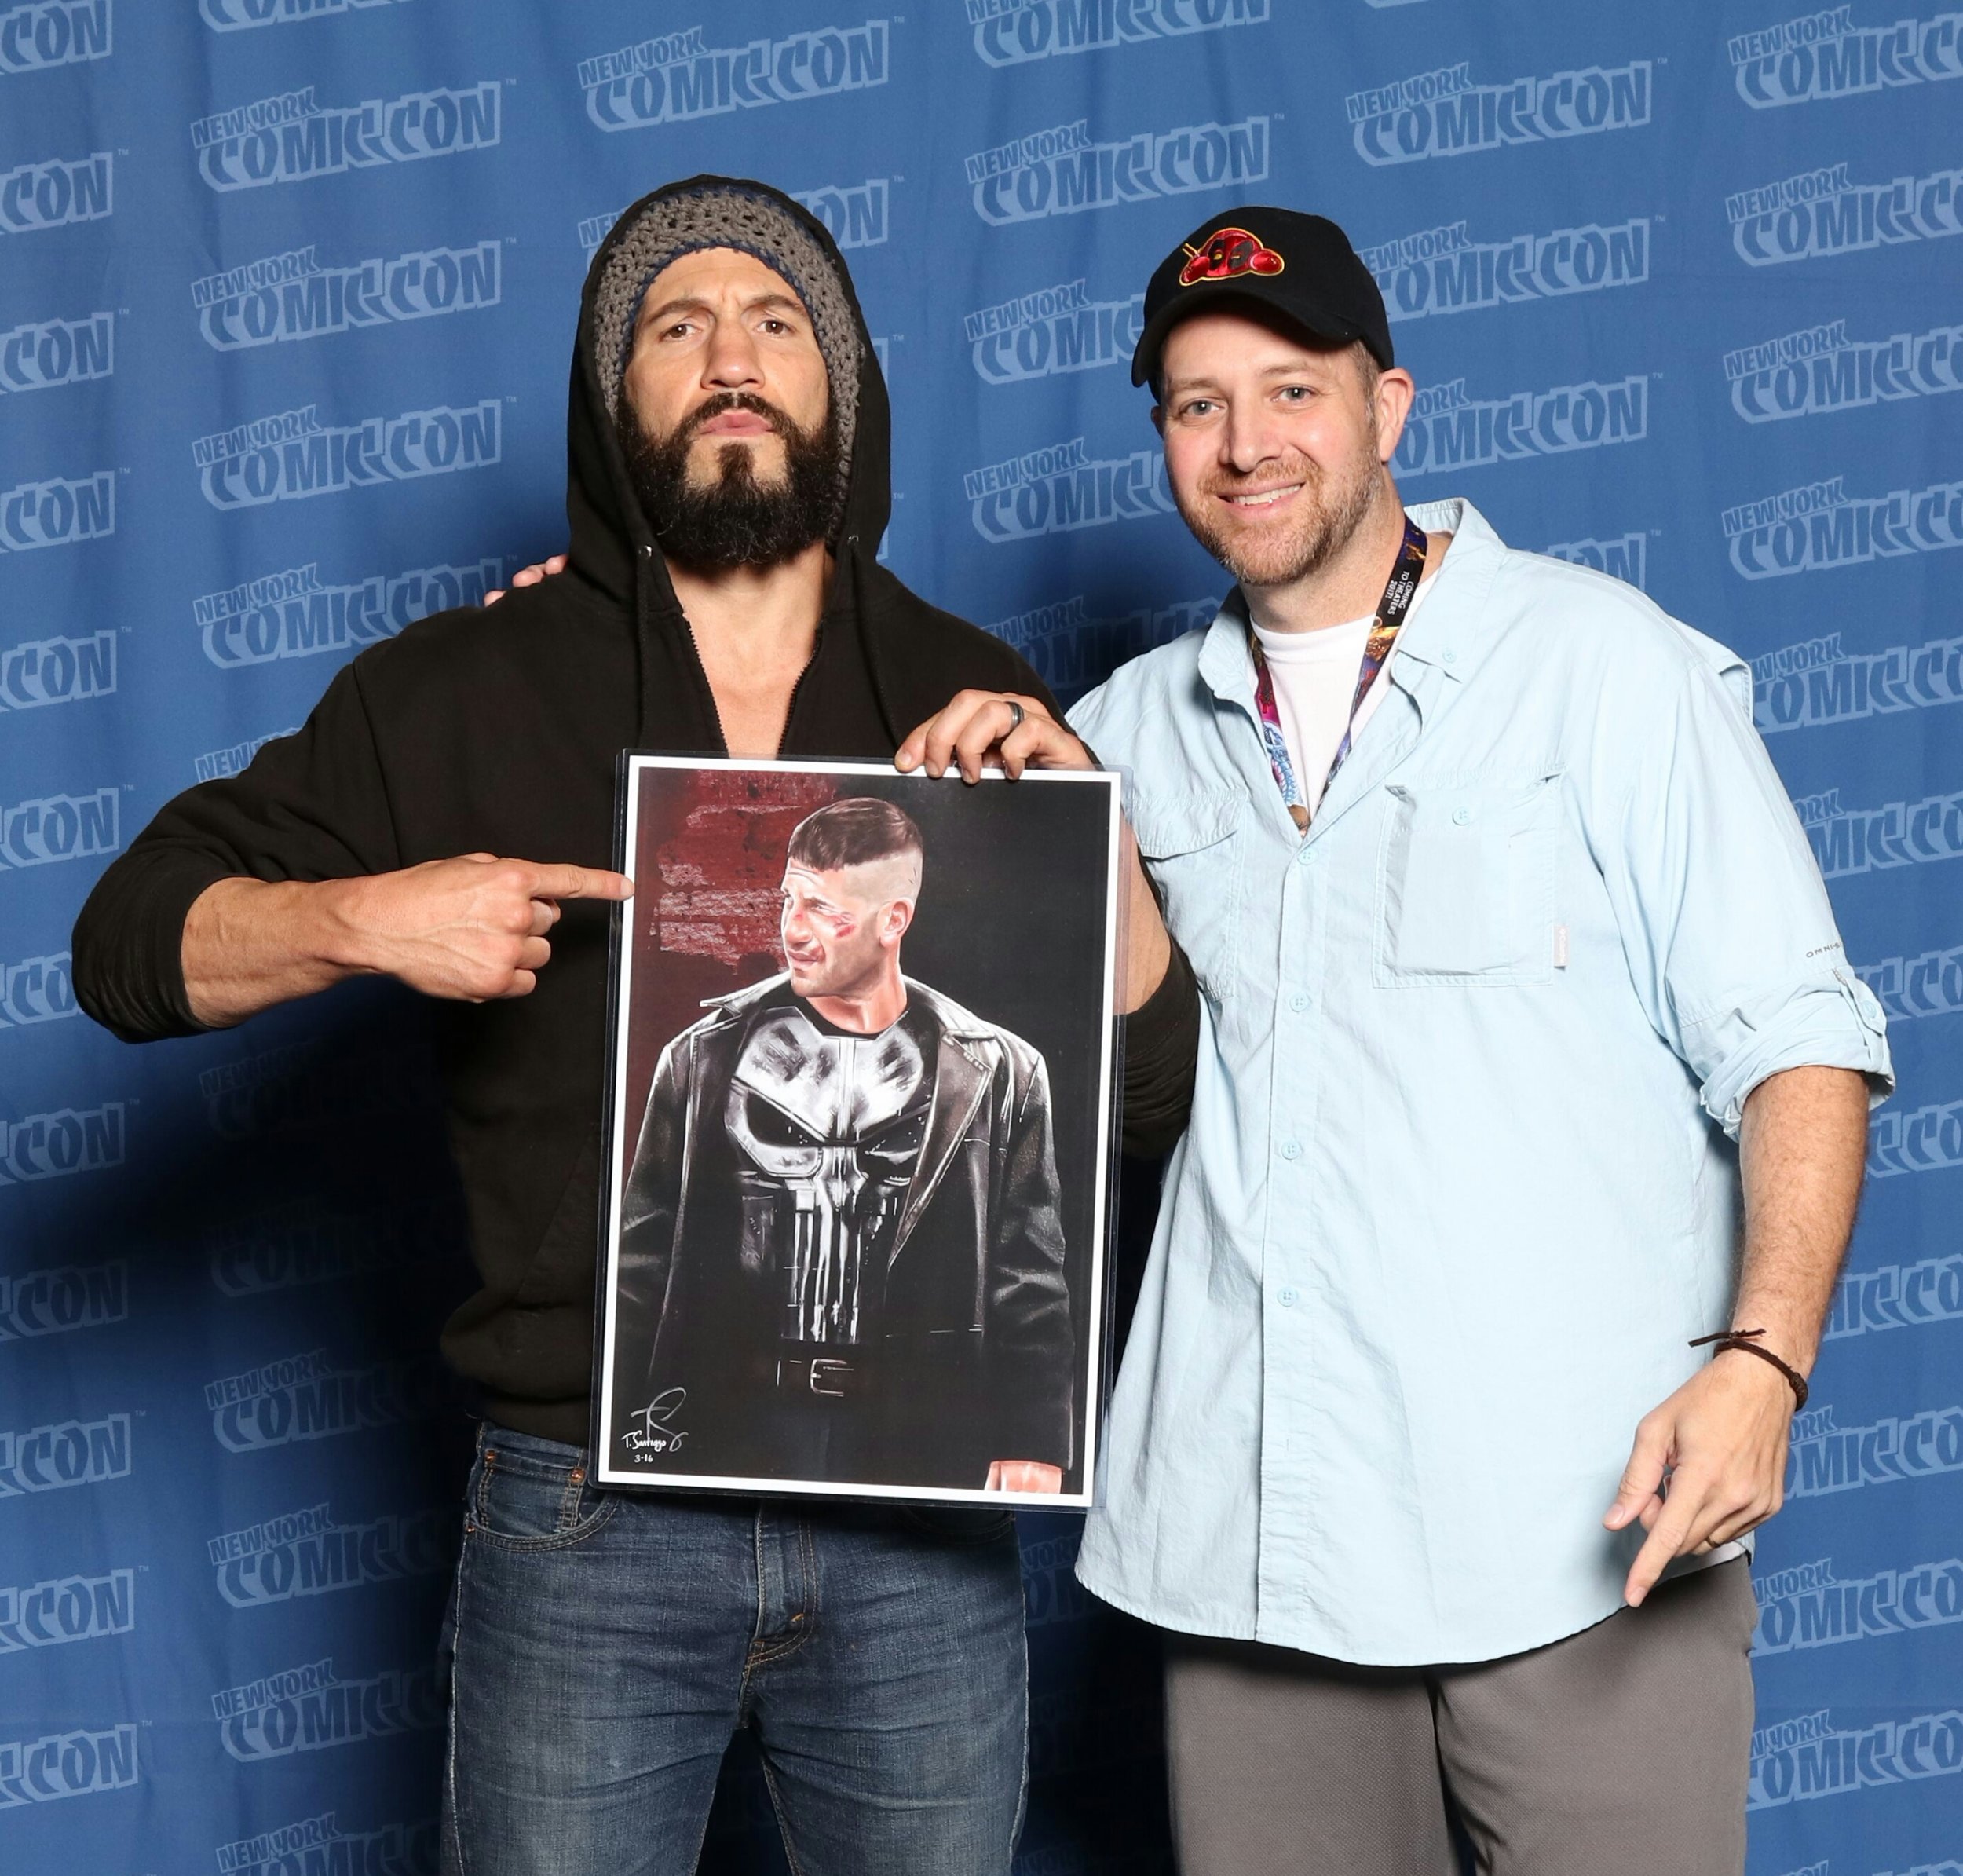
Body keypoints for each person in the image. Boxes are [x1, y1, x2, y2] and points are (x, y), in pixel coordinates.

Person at [71, 175, 1083, 1876]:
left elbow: (1132, 1108)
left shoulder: (982, 705)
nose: (729, 356)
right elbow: (126, 948)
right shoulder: (462, 692)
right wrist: (360, 918)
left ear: (844, 386)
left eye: (776, 323)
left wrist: (1087, 870)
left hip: (920, 1531)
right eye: (674, 329)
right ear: (615, 404)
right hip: (587, 1516)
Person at [903, 207, 1893, 1876]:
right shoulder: (1119, 740)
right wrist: (611, 591)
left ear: (1387, 406)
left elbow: (1796, 1036)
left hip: (1582, 1545)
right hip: (1253, 1567)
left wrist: (1762, 1364)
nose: (1243, 443)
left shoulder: (1602, 673)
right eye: (1194, 404)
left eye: (1288, 390)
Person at [612, 794, 1073, 1493]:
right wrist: (613, 1420)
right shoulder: (702, 1059)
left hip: (919, 1428)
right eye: (789, 900)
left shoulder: (1001, 1071)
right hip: (729, 1423)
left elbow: (1029, 1274)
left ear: (895, 920)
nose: (794, 930)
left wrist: (1035, 1438)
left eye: (825, 909)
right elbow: (639, 1266)